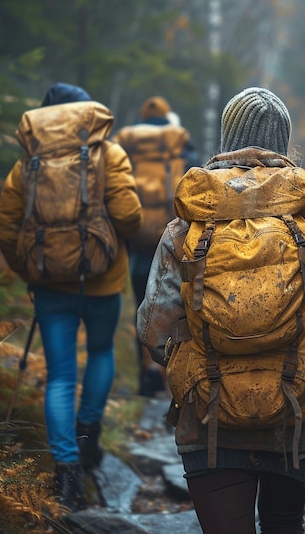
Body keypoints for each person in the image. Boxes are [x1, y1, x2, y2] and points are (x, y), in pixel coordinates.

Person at [137, 87, 305, 534]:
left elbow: (155, 330)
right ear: (283, 142)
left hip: (210, 415)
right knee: (285, 523)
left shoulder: (187, 222)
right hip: (298, 412)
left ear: (227, 137)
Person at [0, 83, 142, 511]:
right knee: (100, 353)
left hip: (48, 284)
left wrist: (31, 269)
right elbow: (131, 217)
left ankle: (66, 476)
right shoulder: (109, 154)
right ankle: (89, 437)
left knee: (60, 376)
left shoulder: (27, 165)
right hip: (102, 279)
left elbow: (6, 226)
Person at [114, 95, 201, 397]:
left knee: (143, 306)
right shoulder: (181, 146)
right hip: (175, 241)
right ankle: (172, 375)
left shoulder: (127, 147)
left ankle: (145, 372)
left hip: (136, 241)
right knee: (178, 310)